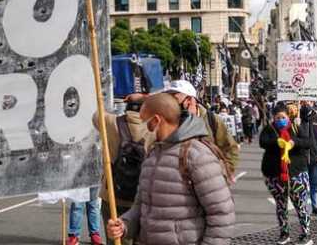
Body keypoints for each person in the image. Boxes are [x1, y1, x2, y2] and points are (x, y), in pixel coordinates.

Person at [106, 93, 235, 245]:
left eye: (143, 121)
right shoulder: (152, 153)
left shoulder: (197, 156)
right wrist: (124, 225)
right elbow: (141, 206)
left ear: (156, 121)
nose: (140, 127)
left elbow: (222, 215)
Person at [93, 93, 154, 245]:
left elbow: (95, 115)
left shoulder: (111, 122)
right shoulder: (154, 128)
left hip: (113, 194)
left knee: (116, 239)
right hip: (142, 196)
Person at [260, 103, 314, 245]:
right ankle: (284, 234)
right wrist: (275, 142)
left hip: (296, 174)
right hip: (275, 175)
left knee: (300, 205)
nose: (280, 120)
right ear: (273, 118)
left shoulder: (295, 127)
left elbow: (309, 142)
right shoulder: (269, 128)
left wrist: (293, 142)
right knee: (281, 206)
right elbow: (262, 142)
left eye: (282, 117)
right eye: (277, 118)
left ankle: (306, 234)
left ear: (287, 116)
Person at [161, 80, 241, 174]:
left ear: (189, 100)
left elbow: (231, 148)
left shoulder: (211, 120)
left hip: (208, 179)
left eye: (174, 100)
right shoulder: (166, 122)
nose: (170, 104)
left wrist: (225, 173)